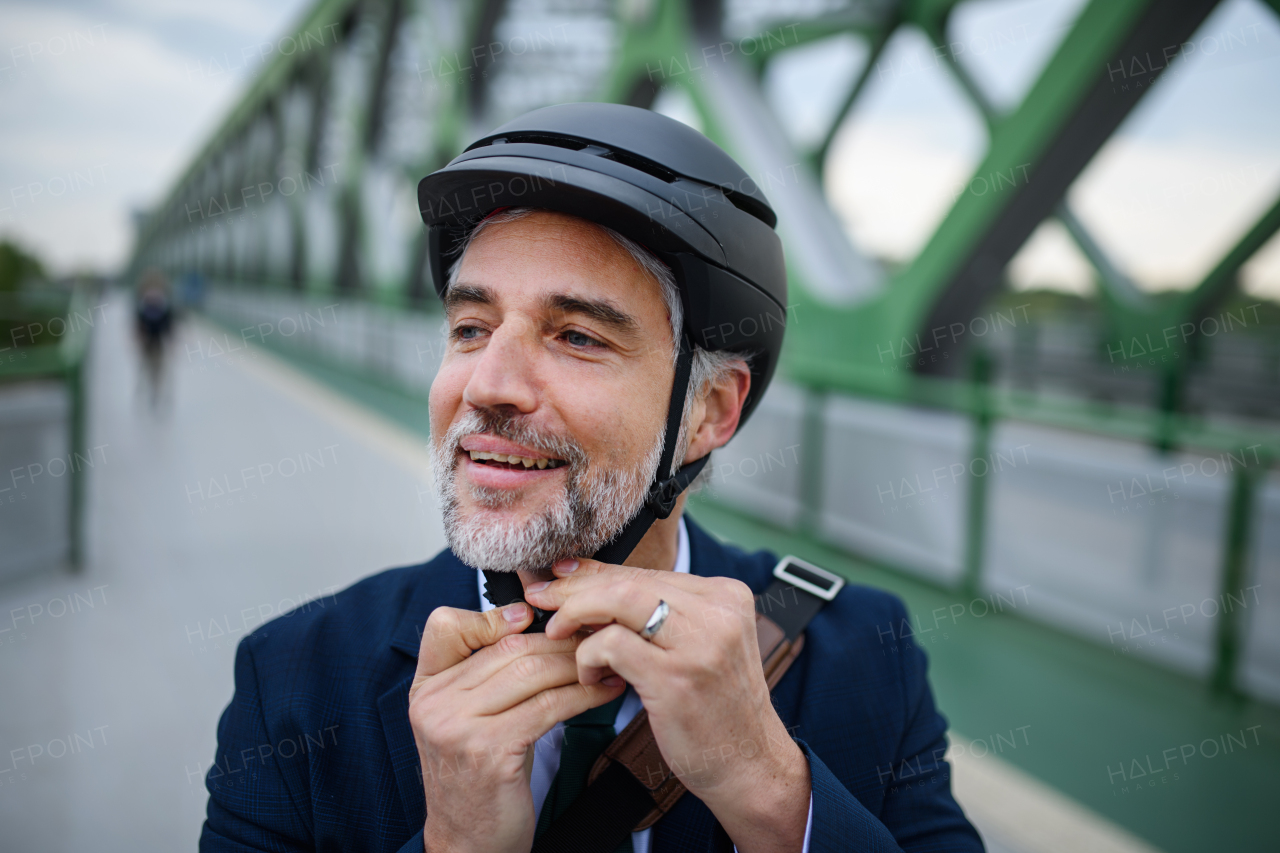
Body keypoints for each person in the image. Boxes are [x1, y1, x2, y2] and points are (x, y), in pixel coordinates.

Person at [200, 103, 984, 853]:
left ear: (709, 412)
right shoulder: (294, 682)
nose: (487, 384)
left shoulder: (864, 655)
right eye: (470, 328)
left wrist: (772, 789)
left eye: (575, 335)